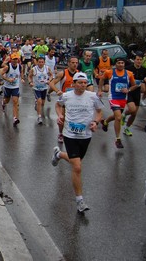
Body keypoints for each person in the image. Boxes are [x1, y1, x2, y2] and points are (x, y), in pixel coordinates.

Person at [52, 72, 103, 214]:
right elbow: (57, 105)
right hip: (70, 135)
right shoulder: (66, 96)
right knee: (77, 167)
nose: (82, 85)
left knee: (77, 161)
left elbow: (99, 112)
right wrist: (60, 114)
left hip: (86, 136)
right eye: (79, 82)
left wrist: (95, 122)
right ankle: (80, 200)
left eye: (84, 83)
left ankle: (60, 154)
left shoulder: (92, 97)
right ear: (73, 84)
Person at [98, 57, 137, 149]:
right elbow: (101, 79)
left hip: (123, 98)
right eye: (119, 63)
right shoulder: (109, 72)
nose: (120, 64)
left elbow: (134, 85)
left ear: (124, 64)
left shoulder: (129, 74)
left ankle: (105, 121)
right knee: (118, 117)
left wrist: (128, 89)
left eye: (122, 63)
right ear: (116, 64)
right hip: (113, 97)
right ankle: (118, 139)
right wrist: (100, 89)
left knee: (117, 116)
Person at [49, 56, 80, 143]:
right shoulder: (62, 73)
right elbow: (51, 83)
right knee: (62, 118)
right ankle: (60, 133)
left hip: (75, 100)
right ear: (69, 63)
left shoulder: (79, 74)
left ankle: (73, 134)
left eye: (76, 63)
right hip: (64, 99)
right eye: (73, 62)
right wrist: (57, 90)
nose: (75, 64)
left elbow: (84, 85)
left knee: (75, 118)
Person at [121, 53, 146, 135]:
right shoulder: (128, 68)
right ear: (134, 60)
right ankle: (125, 114)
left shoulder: (144, 70)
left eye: (140, 60)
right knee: (132, 109)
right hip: (129, 91)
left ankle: (126, 128)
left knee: (134, 114)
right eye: (137, 59)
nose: (139, 61)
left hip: (137, 93)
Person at [28, 56, 53, 125]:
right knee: (39, 101)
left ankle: (37, 103)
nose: (41, 63)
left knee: (42, 103)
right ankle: (39, 117)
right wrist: (30, 82)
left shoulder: (47, 68)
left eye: (42, 62)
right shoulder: (34, 69)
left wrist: (49, 80)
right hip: (36, 88)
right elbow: (29, 76)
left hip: (44, 88)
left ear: (44, 62)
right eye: (39, 62)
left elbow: (51, 75)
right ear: (37, 62)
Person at [0, 55, 22, 127]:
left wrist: (22, 79)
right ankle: (3, 102)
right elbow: (1, 74)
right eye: (13, 59)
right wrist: (7, 79)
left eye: (16, 59)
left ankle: (15, 118)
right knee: (7, 100)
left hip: (15, 87)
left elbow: (20, 74)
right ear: (11, 60)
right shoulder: (7, 67)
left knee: (15, 101)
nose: (15, 61)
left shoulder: (19, 66)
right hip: (7, 87)